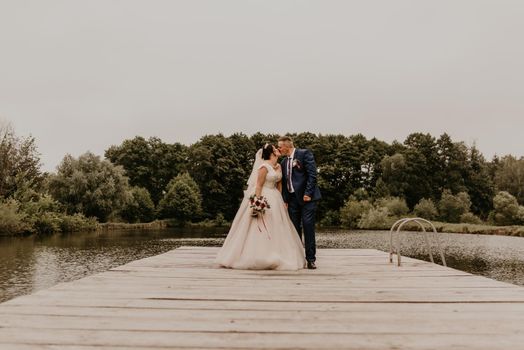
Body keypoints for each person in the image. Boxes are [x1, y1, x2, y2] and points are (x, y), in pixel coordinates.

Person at [215, 143, 306, 270]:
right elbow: (258, 185)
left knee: (278, 226)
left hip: (275, 198)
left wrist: (280, 200)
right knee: (261, 226)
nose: (278, 150)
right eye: (275, 149)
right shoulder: (263, 167)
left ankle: (279, 254)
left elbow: (279, 184)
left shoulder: (279, 166)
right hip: (264, 195)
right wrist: (257, 203)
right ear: (271, 153)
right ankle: (257, 255)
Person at [278, 136, 321, 269]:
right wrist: (285, 200)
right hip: (292, 200)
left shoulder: (304, 154)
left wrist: (308, 193)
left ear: (287, 146)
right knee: (294, 229)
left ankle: (311, 259)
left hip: (307, 199)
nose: (279, 149)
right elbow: (285, 183)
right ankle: (297, 258)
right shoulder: (284, 162)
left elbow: (312, 175)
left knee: (308, 226)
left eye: (280, 146)